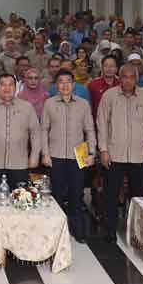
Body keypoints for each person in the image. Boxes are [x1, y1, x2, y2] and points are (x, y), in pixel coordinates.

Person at [97, 64, 143, 242]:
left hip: (139, 155)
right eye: (124, 77)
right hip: (115, 154)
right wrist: (103, 150)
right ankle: (110, 230)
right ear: (119, 77)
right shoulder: (109, 96)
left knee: (138, 195)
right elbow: (102, 124)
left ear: (137, 79)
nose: (128, 80)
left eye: (132, 77)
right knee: (110, 194)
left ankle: (136, 231)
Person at [41, 70, 95, 242]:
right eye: (61, 82)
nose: (65, 85)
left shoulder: (83, 104)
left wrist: (92, 152)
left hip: (77, 156)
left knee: (76, 193)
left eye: (68, 81)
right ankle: (56, 230)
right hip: (55, 156)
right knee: (56, 193)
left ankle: (76, 228)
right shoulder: (49, 103)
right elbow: (44, 130)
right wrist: (45, 153)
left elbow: (89, 130)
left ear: (74, 84)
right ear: (57, 85)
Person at [0, 73, 41, 197]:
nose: (7, 88)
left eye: (10, 85)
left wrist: (34, 156)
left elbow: (36, 133)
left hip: (19, 164)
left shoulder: (27, 107)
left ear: (15, 87)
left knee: (19, 199)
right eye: (3, 85)